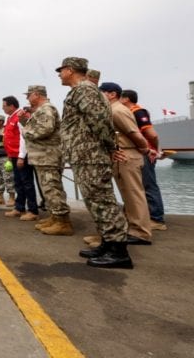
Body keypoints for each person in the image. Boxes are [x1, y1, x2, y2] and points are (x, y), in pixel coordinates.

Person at [58, 57, 132, 268]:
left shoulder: (84, 90)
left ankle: (119, 252)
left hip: (91, 155)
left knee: (102, 201)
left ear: (70, 70)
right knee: (95, 201)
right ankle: (108, 243)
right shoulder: (81, 90)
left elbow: (99, 120)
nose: (59, 74)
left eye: (61, 70)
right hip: (85, 155)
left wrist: (110, 147)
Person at [99, 82, 154, 245]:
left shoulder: (117, 111)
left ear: (112, 94)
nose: (99, 95)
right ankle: (133, 227)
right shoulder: (112, 110)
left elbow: (133, 133)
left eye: (102, 92)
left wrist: (145, 149)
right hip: (121, 154)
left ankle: (141, 233)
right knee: (128, 195)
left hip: (127, 154)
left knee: (134, 194)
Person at [20, 85, 73, 235]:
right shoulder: (40, 110)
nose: (27, 98)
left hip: (48, 156)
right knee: (48, 189)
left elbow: (45, 129)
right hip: (42, 156)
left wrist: (25, 130)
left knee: (52, 188)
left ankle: (63, 222)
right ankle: (55, 217)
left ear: (36, 95)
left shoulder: (46, 109)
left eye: (29, 95)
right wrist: (26, 122)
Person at [120, 89, 167, 231]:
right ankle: (143, 216)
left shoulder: (137, 112)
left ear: (126, 99)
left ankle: (156, 219)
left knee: (148, 185)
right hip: (139, 152)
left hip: (146, 153)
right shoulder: (129, 113)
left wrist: (155, 150)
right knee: (139, 186)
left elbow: (151, 134)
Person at [2, 96, 38, 221]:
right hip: (13, 155)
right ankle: (19, 207)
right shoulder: (10, 118)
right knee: (18, 183)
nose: (3, 107)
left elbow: (24, 137)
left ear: (12, 106)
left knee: (27, 183)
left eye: (4, 105)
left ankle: (33, 210)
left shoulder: (20, 117)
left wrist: (21, 157)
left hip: (21, 155)